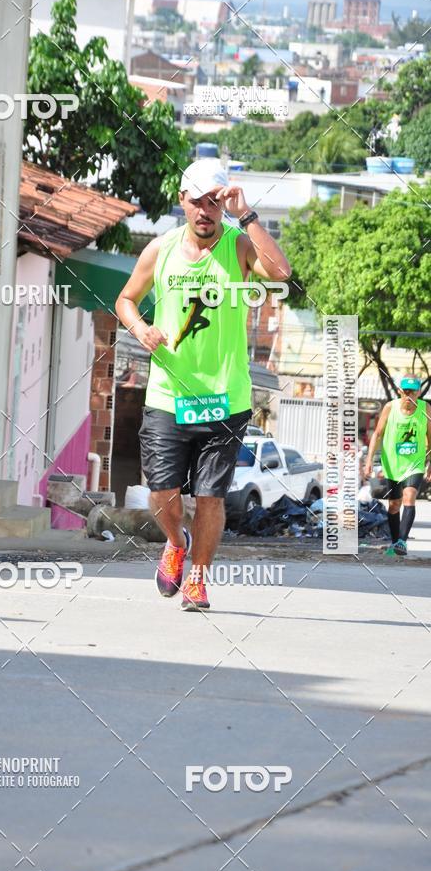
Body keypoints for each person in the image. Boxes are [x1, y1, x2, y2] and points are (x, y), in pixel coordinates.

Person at [115, 159, 291, 610]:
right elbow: (126, 299)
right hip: (167, 396)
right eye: (197, 202)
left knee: (210, 497)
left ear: (223, 204)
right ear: (183, 202)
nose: (205, 211)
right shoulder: (161, 249)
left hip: (225, 397)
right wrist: (140, 329)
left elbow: (281, 273)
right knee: (162, 491)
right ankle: (177, 542)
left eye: (214, 202)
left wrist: (246, 214)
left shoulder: (239, 245)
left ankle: (198, 577)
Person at [364, 376, 431, 556]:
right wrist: (369, 460)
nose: (409, 396)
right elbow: (377, 434)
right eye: (406, 392)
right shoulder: (390, 407)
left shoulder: (425, 408)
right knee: (394, 505)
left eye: (413, 392)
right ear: (400, 391)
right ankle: (395, 544)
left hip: (415, 463)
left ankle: (402, 541)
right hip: (392, 464)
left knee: (409, 496)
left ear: (418, 392)